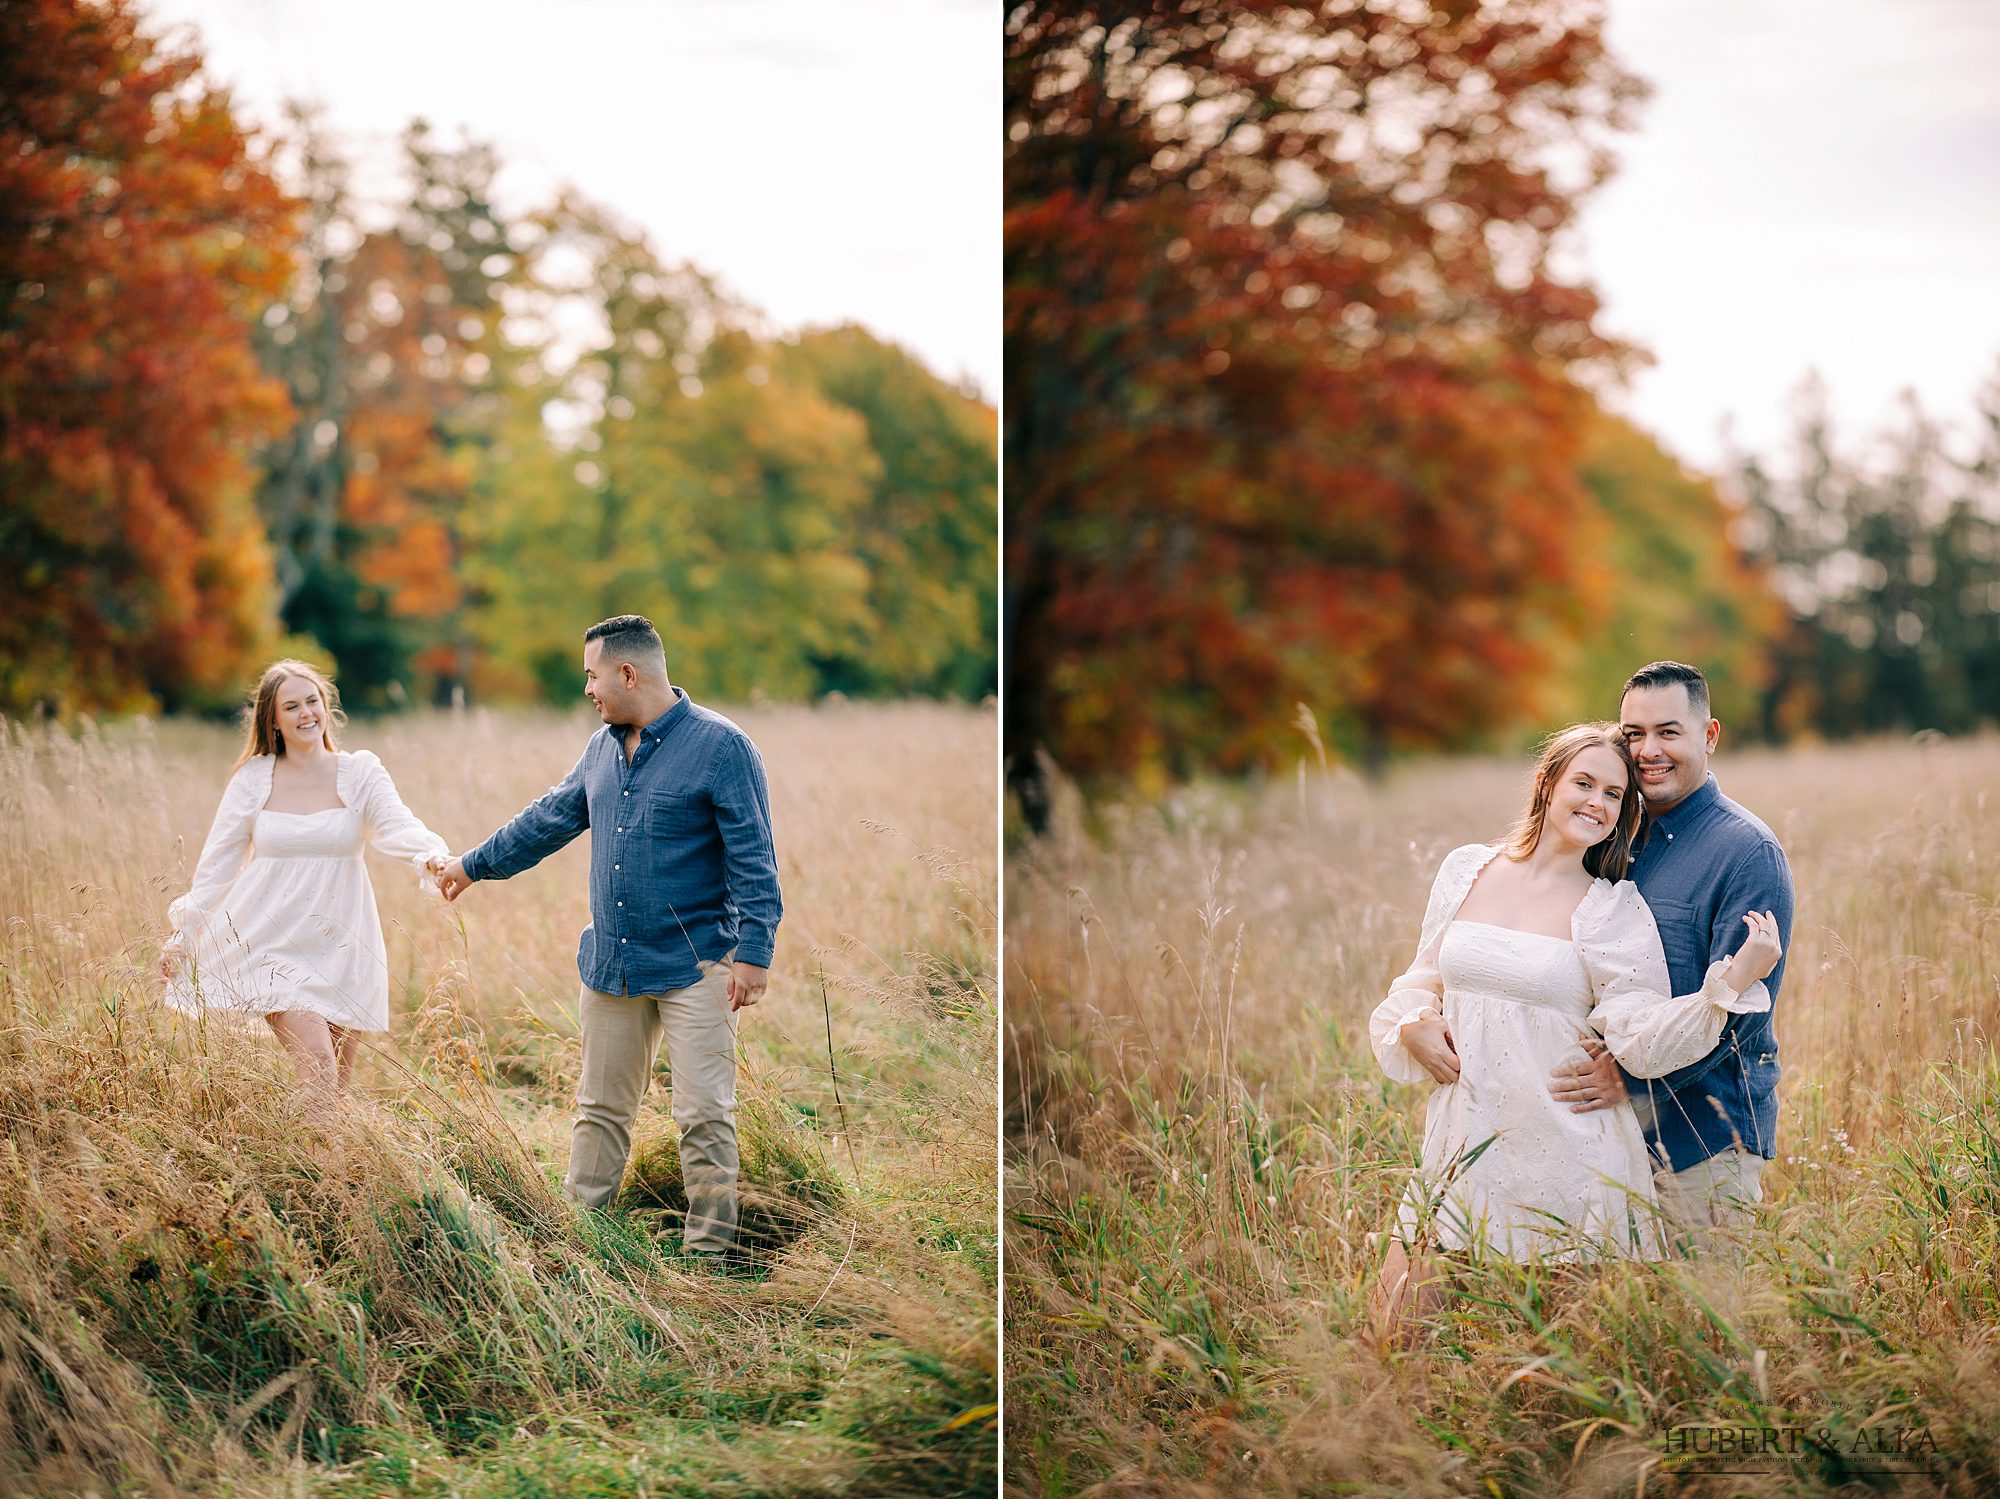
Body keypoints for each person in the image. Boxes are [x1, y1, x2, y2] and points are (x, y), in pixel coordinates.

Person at [1367, 723, 1781, 1336]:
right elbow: (1420, 979)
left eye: (1614, 794)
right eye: (1584, 783)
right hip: (1460, 1144)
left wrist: (1730, 982)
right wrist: (1411, 1024)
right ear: (1547, 783)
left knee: (1551, 1365)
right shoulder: (1466, 870)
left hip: (1567, 1159)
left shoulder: (1611, 909)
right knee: (1389, 1336)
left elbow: (1640, 1038)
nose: (1596, 802)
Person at [433, 615, 781, 1262]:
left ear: (628, 672)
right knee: (599, 1110)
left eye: (592, 676)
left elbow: (754, 858)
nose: (587, 688)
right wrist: (472, 865)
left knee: (704, 1114)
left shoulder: (722, 747)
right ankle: (581, 1238)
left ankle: (708, 1255)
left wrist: (754, 953)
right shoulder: (601, 748)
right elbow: (548, 819)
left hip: (699, 964)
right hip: (613, 964)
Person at [1547, 661, 1796, 1248]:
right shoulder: (1610, 835)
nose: (1648, 751)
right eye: (1633, 734)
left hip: (1703, 1140)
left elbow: (1741, 1011)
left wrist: (1632, 1081)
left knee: (1699, 1306)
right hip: (1601, 1134)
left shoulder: (1746, 852)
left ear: (1709, 736)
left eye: (1668, 732)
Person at [161, 660, 450, 1095]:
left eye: (312, 701)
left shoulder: (360, 772)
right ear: (273, 721)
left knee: (336, 1087)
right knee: (317, 1065)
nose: (306, 713)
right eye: (291, 706)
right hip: (272, 945)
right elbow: (217, 866)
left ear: (326, 707)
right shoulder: (253, 779)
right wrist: (183, 935)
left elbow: (398, 823)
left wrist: (431, 856)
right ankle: (300, 1142)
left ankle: (314, 1144)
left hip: (343, 942)